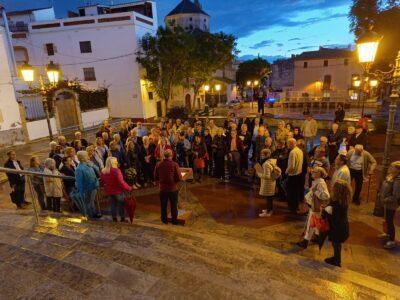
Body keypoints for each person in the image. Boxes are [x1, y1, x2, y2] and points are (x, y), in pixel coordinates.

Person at [297, 167, 330, 249]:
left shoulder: (321, 183)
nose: (312, 173)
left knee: (310, 224)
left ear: (319, 174)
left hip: (317, 206)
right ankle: (317, 237)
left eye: (314, 172)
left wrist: (316, 191)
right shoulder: (317, 181)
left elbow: (326, 195)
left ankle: (305, 241)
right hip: (314, 205)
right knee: (315, 223)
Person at [322, 179, 351, 267]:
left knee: (336, 244)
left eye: (334, 187)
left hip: (338, 229)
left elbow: (335, 218)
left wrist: (325, 212)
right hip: (341, 228)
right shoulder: (342, 200)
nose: (331, 188)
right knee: (336, 245)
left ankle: (337, 261)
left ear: (337, 191)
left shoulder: (338, 204)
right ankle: (336, 258)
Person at [154, 149, 183, 225]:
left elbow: (155, 176)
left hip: (162, 189)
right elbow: (179, 177)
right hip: (173, 189)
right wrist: (175, 183)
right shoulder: (174, 164)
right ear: (172, 155)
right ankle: (174, 221)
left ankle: (164, 220)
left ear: (164, 155)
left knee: (163, 205)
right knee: (174, 205)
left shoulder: (158, 164)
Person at [100, 157, 132, 222]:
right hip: (118, 191)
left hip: (109, 191)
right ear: (112, 163)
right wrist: (128, 188)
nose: (117, 162)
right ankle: (122, 218)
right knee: (121, 205)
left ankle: (114, 218)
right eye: (116, 161)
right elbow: (121, 182)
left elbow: (103, 182)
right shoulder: (116, 171)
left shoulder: (103, 171)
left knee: (112, 205)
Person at [378, 161, 400, 249]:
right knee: (387, 218)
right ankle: (387, 233)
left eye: (392, 167)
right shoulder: (391, 176)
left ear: (397, 169)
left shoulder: (398, 180)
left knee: (390, 221)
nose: (390, 168)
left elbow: (396, 195)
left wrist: (385, 199)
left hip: (391, 204)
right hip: (386, 203)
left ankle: (391, 240)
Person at [75, 151, 101, 218]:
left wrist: (93, 165)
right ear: (82, 158)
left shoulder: (89, 163)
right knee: (88, 202)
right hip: (87, 188)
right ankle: (90, 215)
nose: (88, 157)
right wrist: (81, 192)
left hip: (94, 185)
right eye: (86, 156)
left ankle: (94, 213)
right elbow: (79, 182)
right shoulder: (79, 168)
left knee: (92, 201)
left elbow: (98, 170)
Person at [257, 149, 281, 217]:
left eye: (262, 155)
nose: (261, 156)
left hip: (268, 183)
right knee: (269, 198)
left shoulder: (266, 164)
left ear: (266, 155)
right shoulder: (271, 161)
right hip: (272, 182)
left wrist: (259, 174)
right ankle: (269, 209)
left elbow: (267, 176)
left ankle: (268, 212)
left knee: (269, 198)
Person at [286, 138, 304, 213]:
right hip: (299, 174)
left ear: (291, 143)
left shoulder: (293, 152)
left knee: (291, 193)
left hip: (292, 175)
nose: (287, 145)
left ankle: (292, 208)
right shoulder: (300, 150)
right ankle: (296, 207)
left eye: (288, 144)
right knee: (296, 192)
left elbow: (292, 166)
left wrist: (286, 171)